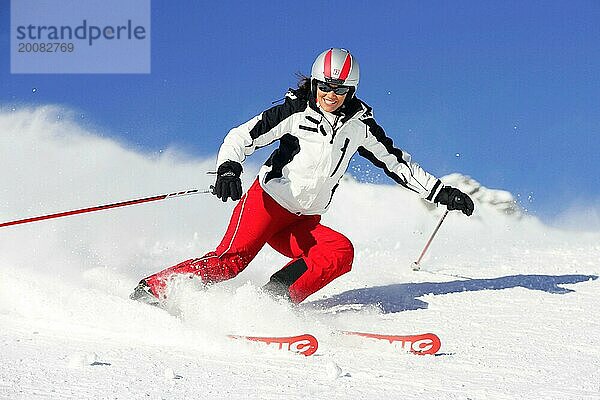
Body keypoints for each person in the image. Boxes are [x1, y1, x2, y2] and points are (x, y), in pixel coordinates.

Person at [130, 48, 474, 306]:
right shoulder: (295, 111)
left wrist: (441, 192)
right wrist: (229, 168)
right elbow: (241, 136)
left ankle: (272, 302)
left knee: (339, 252)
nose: (330, 95)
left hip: (303, 219)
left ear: (351, 91)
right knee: (230, 263)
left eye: (340, 90)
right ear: (314, 82)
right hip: (266, 205)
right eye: (325, 86)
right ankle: (153, 289)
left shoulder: (360, 127)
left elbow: (398, 163)